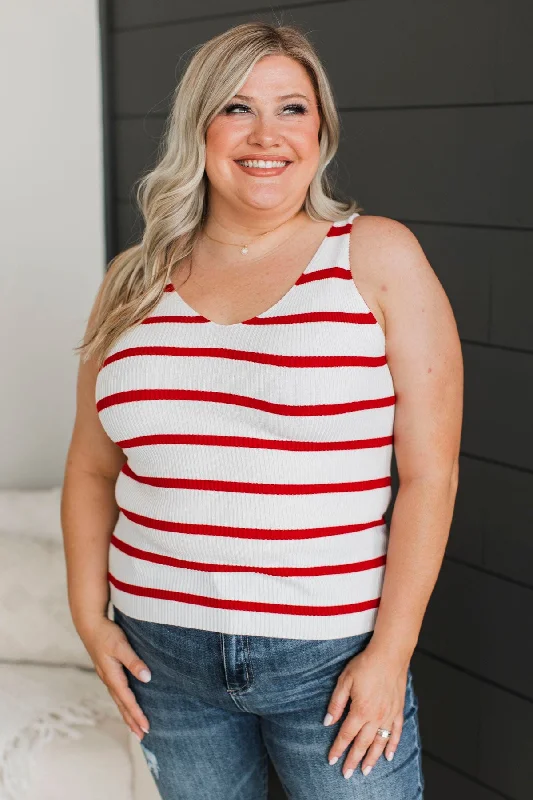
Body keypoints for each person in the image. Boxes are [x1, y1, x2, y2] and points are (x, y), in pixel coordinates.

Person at [61, 21, 463, 800]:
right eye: (237, 108)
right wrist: (88, 616)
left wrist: (390, 653)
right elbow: (90, 467)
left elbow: (429, 475)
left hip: (332, 663)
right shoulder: (131, 281)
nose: (266, 135)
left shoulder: (374, 257)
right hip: (162, 659)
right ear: (199, 127)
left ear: (321, 130)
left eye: (292, 109)